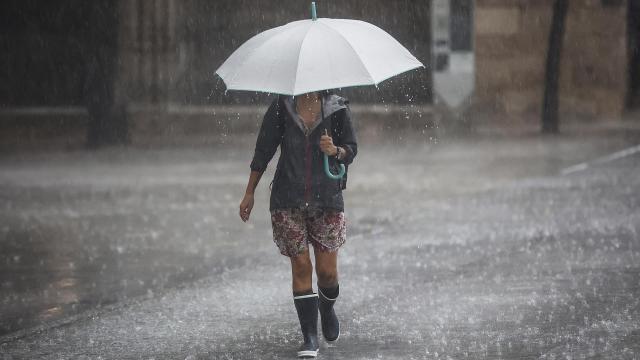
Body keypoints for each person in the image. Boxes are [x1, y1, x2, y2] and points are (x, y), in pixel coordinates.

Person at [239, 90, 357, 358]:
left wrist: (336, 150)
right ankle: (309, 337)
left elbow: (352, 148)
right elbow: (263, 149)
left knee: (327, 273)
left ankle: (326, 310)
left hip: (326, 198)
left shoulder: (337, 107)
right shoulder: (282, 106)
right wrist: (249, 192)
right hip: (287, 198)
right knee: (301, 266)